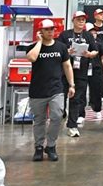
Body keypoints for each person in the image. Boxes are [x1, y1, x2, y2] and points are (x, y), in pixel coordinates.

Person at [27, 19, 75, 161]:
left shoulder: (61, 47)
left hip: (56, 89)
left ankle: (51, 145)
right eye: (47, 29)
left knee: (57, 115)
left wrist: (71, 84)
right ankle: (39, 147)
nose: (50, 32)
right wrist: (39, 42)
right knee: (39, 120)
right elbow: (32, 58)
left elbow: (67, 66)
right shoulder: (33, 47)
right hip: (37, 90)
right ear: (40, 31)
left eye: (52, 29)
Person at [59, 11, 99, 137]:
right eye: (79, 19)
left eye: (83, 20)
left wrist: (89, 54)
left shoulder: (88, 35)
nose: (81, 22)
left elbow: (95, 51)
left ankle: (72, 125)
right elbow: (58, 50)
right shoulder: (65, 35)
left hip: (81, 72)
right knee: (61, 98)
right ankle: (61, 116)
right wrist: (67, 52)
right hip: (64, 72)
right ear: (73, 21)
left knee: (76, 99)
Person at [89, 9, 103, 116]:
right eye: (100, 14)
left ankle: (100, 95)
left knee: (102, 78)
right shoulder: (90, 29)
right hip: (88, 62)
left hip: (101, 56)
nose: (102, 16)